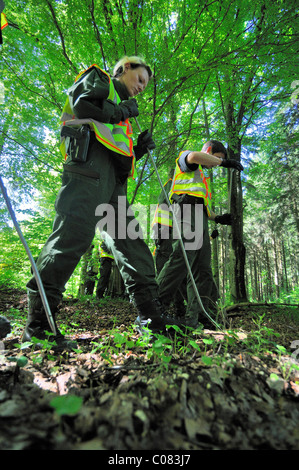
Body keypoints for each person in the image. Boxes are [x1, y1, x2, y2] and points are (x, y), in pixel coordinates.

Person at [23, 55, 181, 350]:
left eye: (146, 85)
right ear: (125, 69)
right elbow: (83, 105)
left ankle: (152, 319)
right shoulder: (100, 79)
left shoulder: (125, 115)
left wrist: (138, 149)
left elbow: (117, 150)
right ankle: (39, 326)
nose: (142, 88)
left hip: (112, 182)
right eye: (140, 80)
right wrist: (121, 110)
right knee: (73, 233)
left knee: (131, 243)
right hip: (87, 166)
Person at [157, 140, 243, 329]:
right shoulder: (187, 157)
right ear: (209, 151)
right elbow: (194, 156)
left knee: (203, 267)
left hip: (199, 215)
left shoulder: (202, 177)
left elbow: (204, 207)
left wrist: (219, 218)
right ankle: (154, 305)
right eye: (216, 158)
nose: (215, 164)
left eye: (219, 161)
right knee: (182, 257)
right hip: (186, 209)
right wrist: (224, 162)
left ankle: (200, 316)